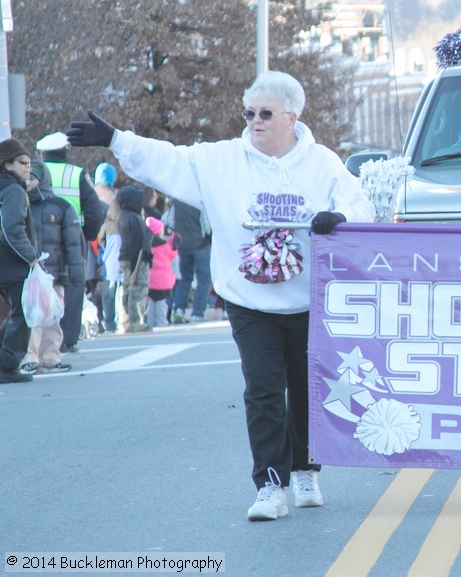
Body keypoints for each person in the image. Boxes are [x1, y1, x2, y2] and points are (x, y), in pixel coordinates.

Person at [67, 70, 376, 521]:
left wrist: (340, 217)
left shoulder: (323, 163)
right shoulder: (221, 161)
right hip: (248, 299)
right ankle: (270, 484)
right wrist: (116, 138)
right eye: (249, 113)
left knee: (308, 392)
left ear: (293, 116)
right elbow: (168, 160)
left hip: (311, 299)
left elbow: (360, 205)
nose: (254, 121)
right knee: (264, 390)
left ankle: (306, 468)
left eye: (266, 114)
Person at [36, 131, 103, 353]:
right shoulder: (76, 174)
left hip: (36, 238)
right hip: (72, 238)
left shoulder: (33, 171)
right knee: (72, 287)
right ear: (65, 151)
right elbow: (93, 210)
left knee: (37, 288)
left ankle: (36, 342)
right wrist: (89, 236)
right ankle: (67, 338)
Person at [20, 160, 83, 374]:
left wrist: (77, 274)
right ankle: (30, 357)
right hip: (31, 274)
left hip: (56, 272)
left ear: (42, 180)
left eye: (33, 179)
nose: (28, 183)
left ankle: (51, 356)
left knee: (54, 316)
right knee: (33, 316)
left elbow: (73, 244)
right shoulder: (20, 204)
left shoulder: (61, 207)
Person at [0, 138, 38, 384]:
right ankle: (7, 365)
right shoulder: (13, 190)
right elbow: (11, 229)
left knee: (13, 314)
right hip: (13, 264)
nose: (28, 168)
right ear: (7, 164)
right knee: (23, 314)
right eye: (22, 162)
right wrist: (31, 256)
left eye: (29, 163)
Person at [166, 199, 213, 324]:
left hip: (183, 244)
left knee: (185, 278)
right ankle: (197, 313)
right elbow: (207, 225)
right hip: (201, 244)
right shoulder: (199, 201)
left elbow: (168, 220)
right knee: (204, 279)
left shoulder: (177, 200)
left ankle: (179, 309)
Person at [116, 185, 152, 333]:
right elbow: (138, 242)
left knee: (126, 289)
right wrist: (136, 266)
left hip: (125, 257)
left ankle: (125, 322)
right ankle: (136, 321)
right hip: (136, 258)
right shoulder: (135, 218)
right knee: (138, 288)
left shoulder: (122, 216)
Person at [144, 216, 177, 327]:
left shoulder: (147, 243)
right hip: (163, 279)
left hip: (150, 278)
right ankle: (161, 321)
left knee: (151, 301)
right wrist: (174, 245)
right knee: (161, 302)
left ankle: (151, 321)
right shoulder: (164, 245)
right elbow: (172, 255)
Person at [98, 198, 122, 334]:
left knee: (108, 294)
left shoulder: (106, 226)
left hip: (109, 263)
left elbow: (100, 240)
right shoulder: (125, 223)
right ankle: (120, 320)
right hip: (122, 263)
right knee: (120, 293)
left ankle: (109, 322)